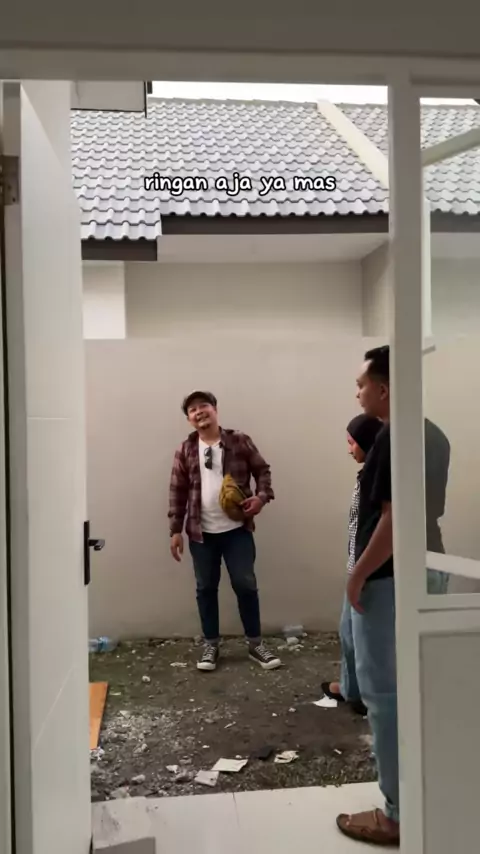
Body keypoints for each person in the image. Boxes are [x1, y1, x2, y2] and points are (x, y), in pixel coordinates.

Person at [336, 345, 450, 847]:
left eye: (361, 384)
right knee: (422, 690)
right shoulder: (434, 433)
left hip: (389, 579)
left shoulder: (390, 437)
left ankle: (398, 815)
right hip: (430, 566)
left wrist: (357, 575)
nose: (357, 393)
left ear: (383, 388)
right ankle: (430, 796)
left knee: (385, 696)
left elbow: (394, 518)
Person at [168, 390, 281, 672]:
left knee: (245, 585)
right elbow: (177, 490)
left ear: (215, 409)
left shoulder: (239, 440)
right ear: (189, 419)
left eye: (203, 405)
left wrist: (261, 497)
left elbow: (263, 471)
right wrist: (175, 530)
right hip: (200, 533)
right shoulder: (185, 449)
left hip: (237, 530)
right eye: (192, 410)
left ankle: (255, 644)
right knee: (205, 588)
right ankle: (211, 645)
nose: (199, 412)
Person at [321, 414, 383, 717]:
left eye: (351, 443)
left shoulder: (376, 479)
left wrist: (361, 571)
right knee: (348, 632)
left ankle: (365, 696)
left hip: (369, 569)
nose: (349, 450)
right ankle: (351, 688)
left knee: (365, 639)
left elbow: (377, 529)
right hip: (357, 565)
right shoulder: (367, 473)